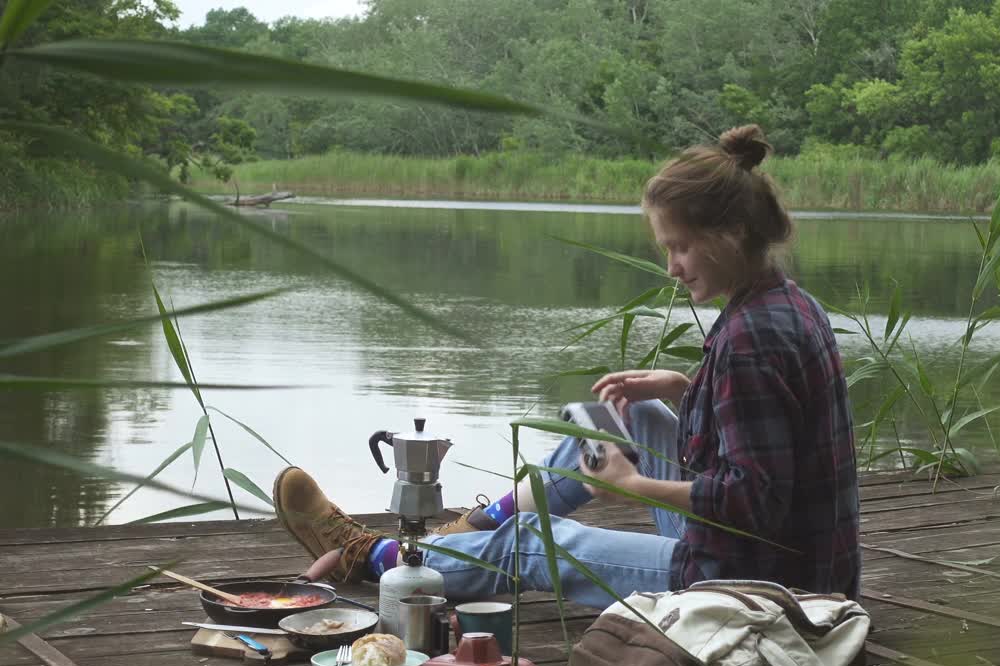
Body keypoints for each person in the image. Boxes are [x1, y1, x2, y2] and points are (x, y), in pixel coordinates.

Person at [274, 125, 860, 609]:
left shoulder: (749, 339)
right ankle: (467, 532)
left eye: (679, 247)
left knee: (530, 546)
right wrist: (687, 385)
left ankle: (375, 557)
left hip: (760, 588)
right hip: (789, 560)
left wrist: (633, 485)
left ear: (731, 235)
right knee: (613, 422)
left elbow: (753, 502)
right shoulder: (786, 301)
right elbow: (772, 431)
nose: (672, 268)